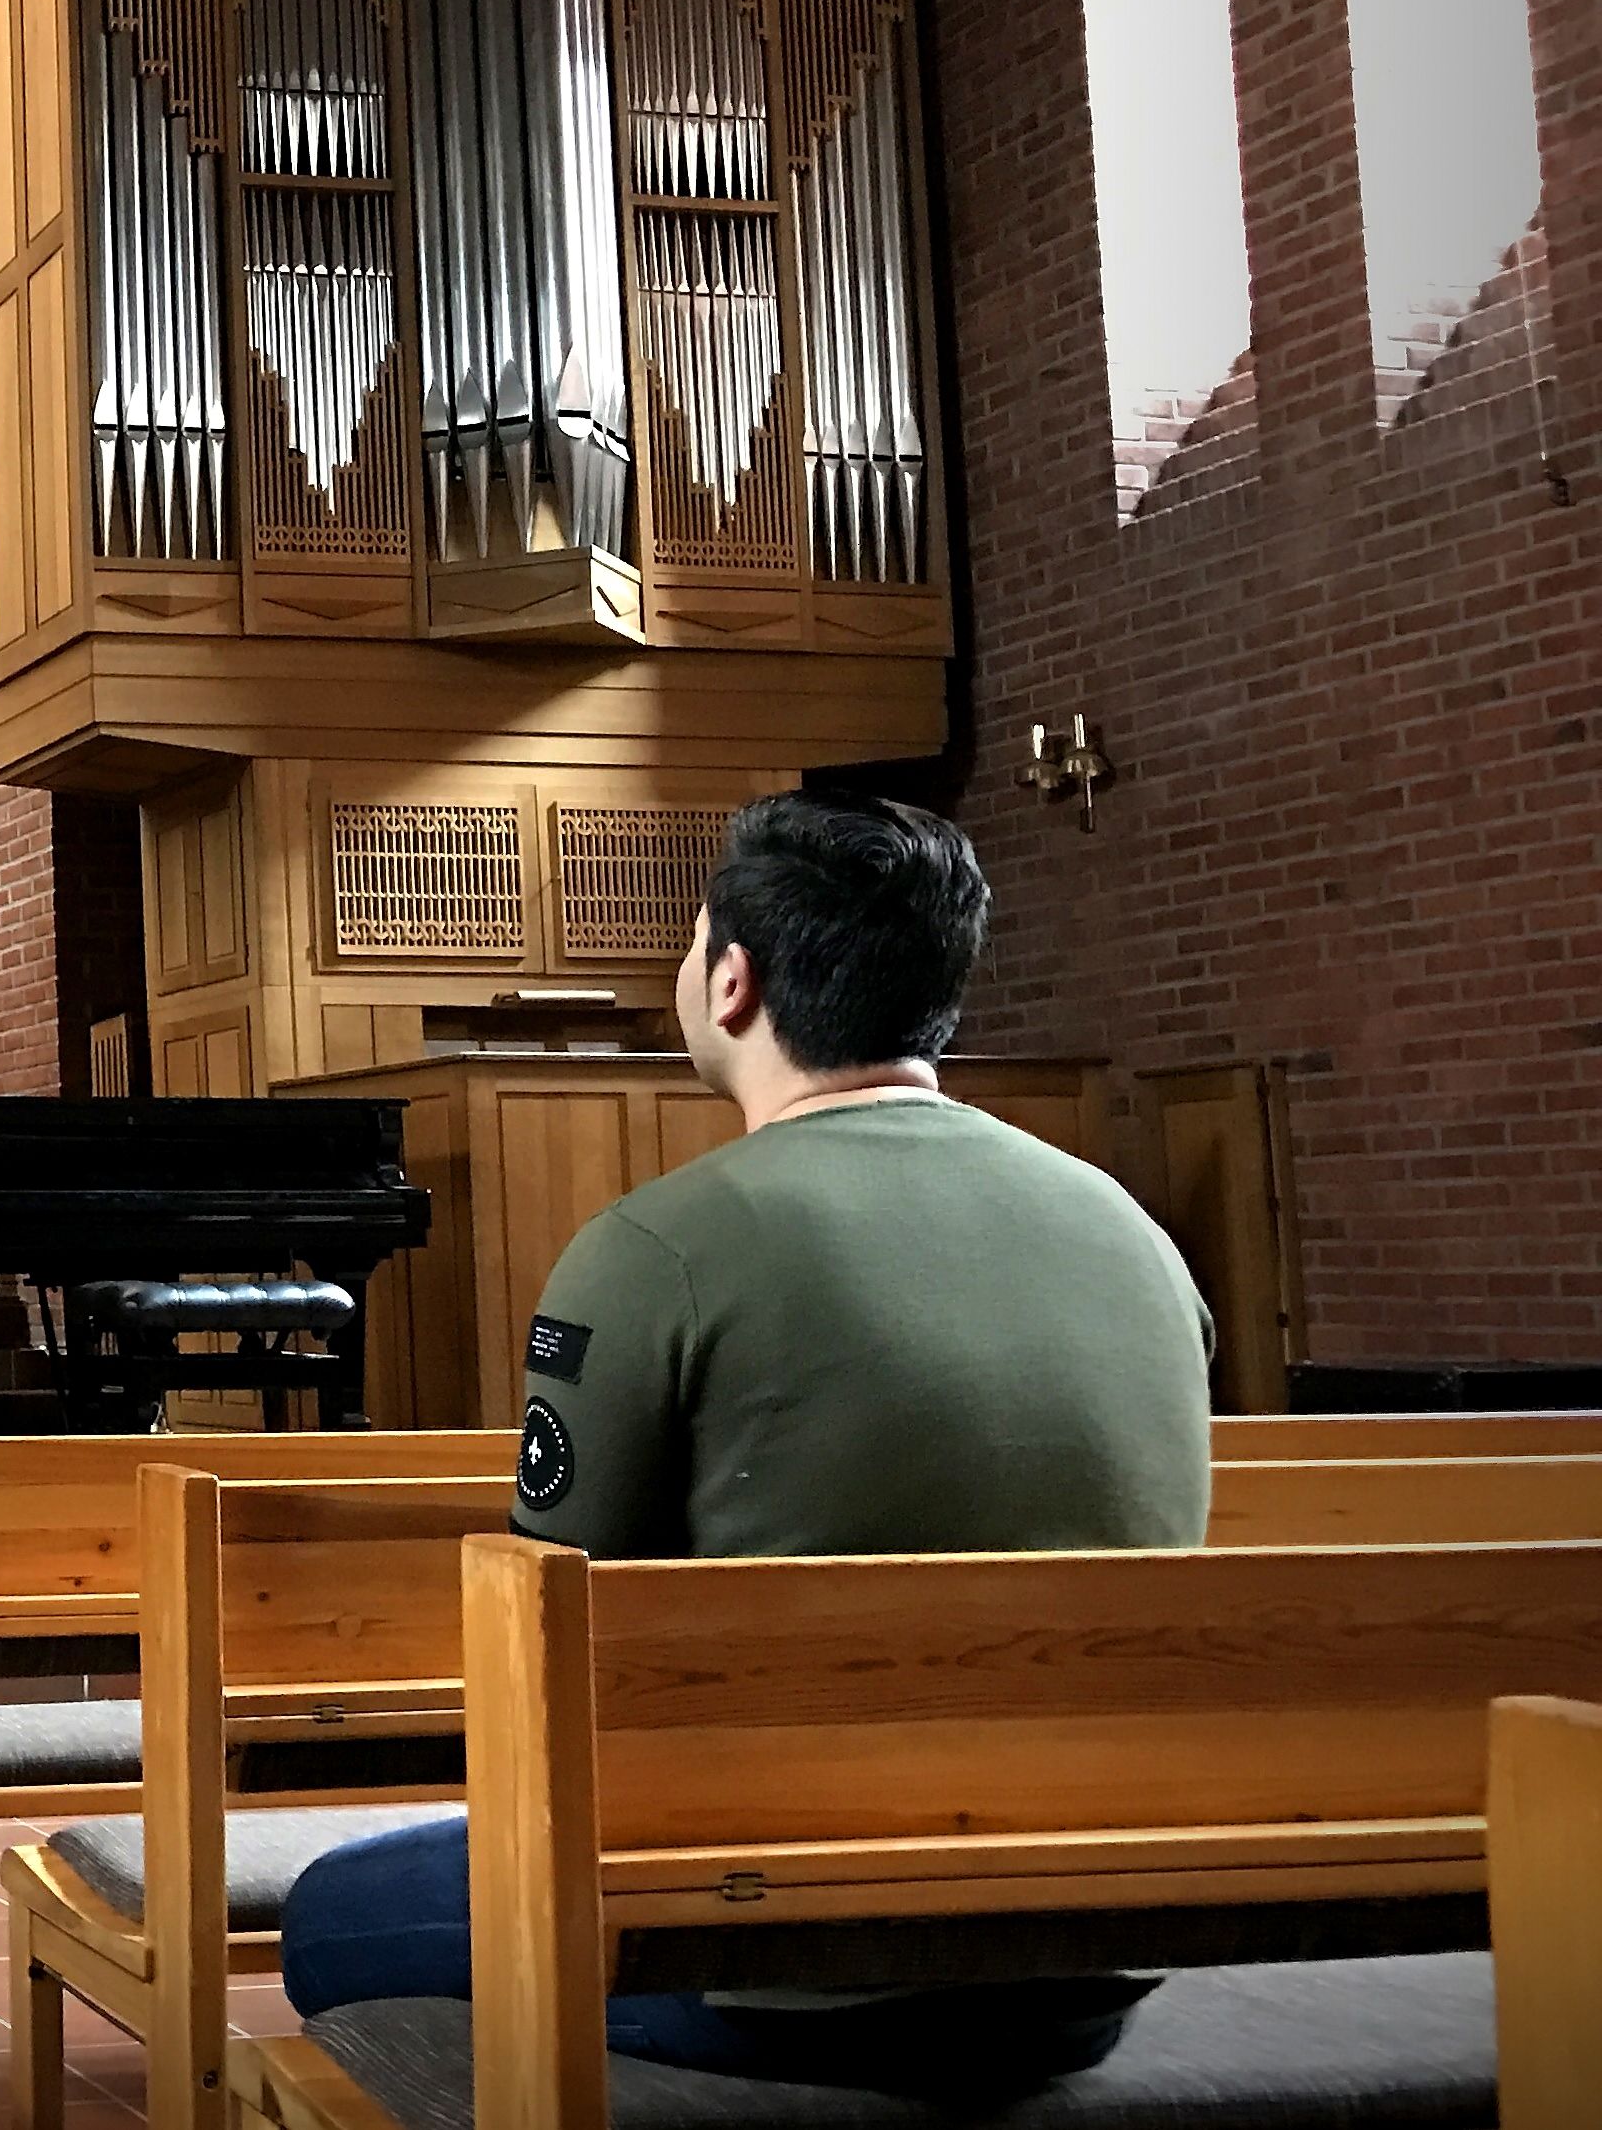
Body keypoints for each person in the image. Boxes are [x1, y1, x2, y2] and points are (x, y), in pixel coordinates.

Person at [273, 789, 1214, 2096]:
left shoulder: (653, 1247)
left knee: (326, 1919)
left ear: (729, 982)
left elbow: (549, 1645)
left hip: (781, 1969)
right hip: (1084, 1960)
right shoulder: (1131, 1234)